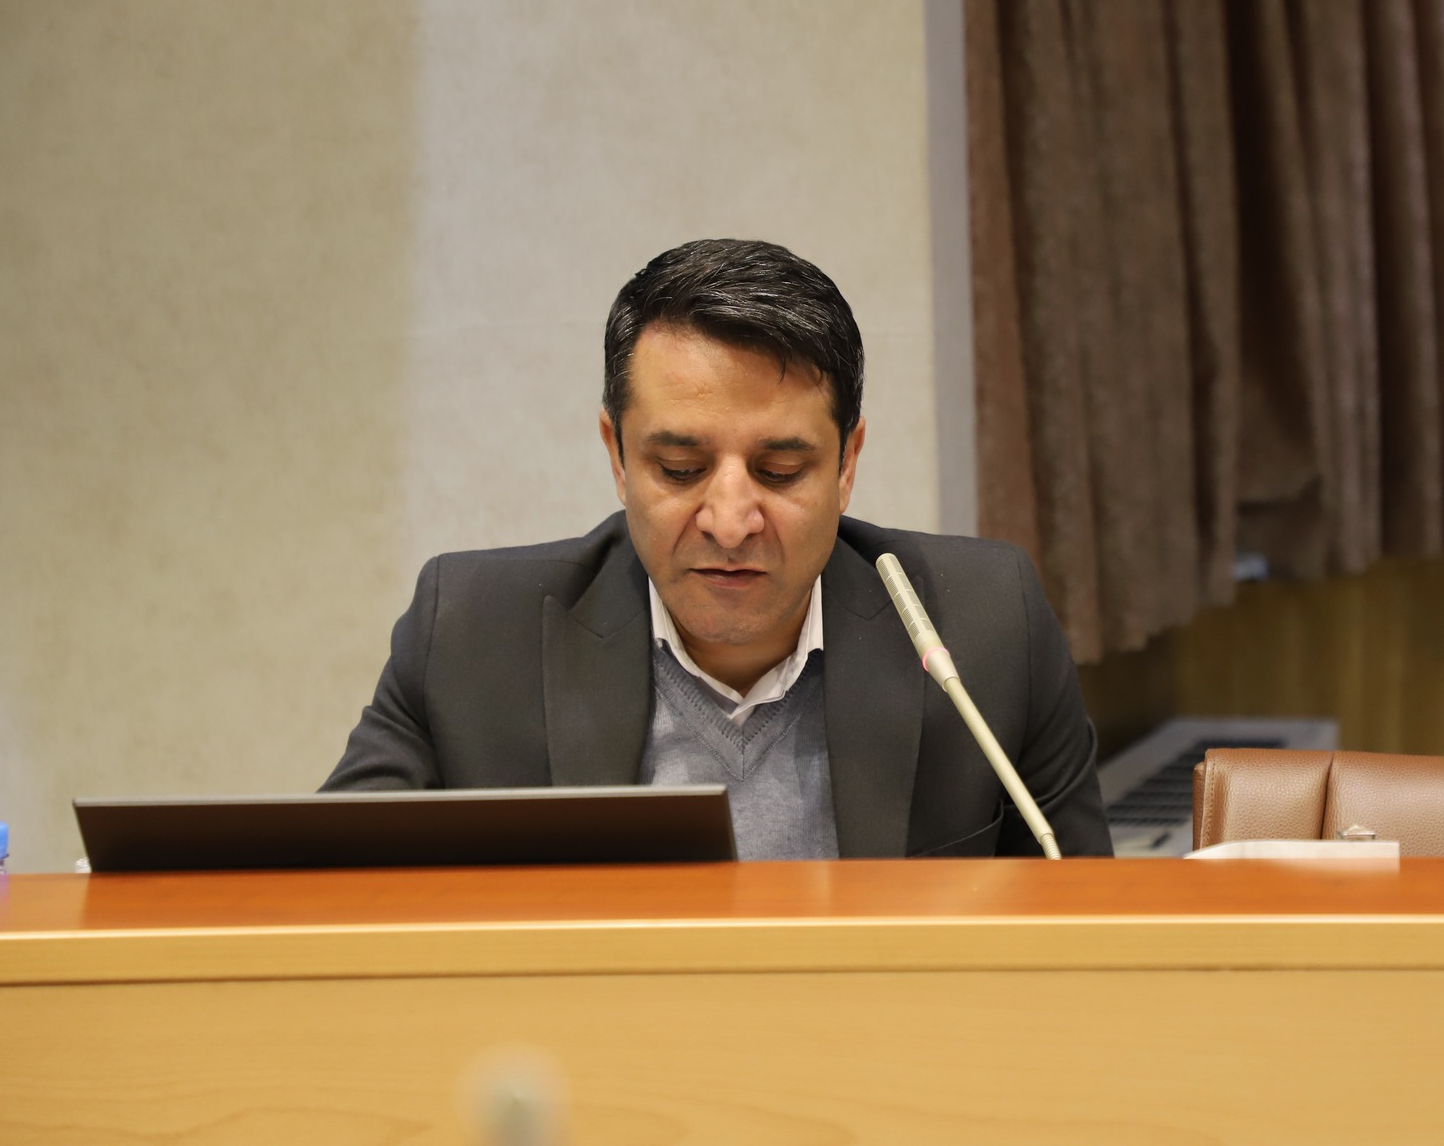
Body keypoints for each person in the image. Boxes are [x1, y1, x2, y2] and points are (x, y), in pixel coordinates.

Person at [324, 238, 1112, 858]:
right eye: (680, 468)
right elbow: (319, 904)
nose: (730, 522)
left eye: (780, 470)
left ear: (847, 464)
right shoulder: (470, 636)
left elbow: (1087, 925)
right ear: (616, 455)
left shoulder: (985, 629)